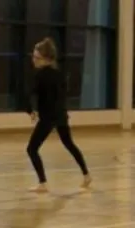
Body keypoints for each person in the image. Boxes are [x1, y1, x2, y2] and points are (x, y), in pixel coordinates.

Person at [25, 37, 91, 193]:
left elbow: (29, 94)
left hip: (48, 117)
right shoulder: (59, 74)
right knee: (69, 144)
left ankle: (43, 183)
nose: (33, 60)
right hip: (60, 115)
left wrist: (31, 110)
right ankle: (86, 175)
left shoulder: (40, 76)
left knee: (31, 149)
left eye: (36, 58)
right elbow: (61, 97)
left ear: (45, 59)